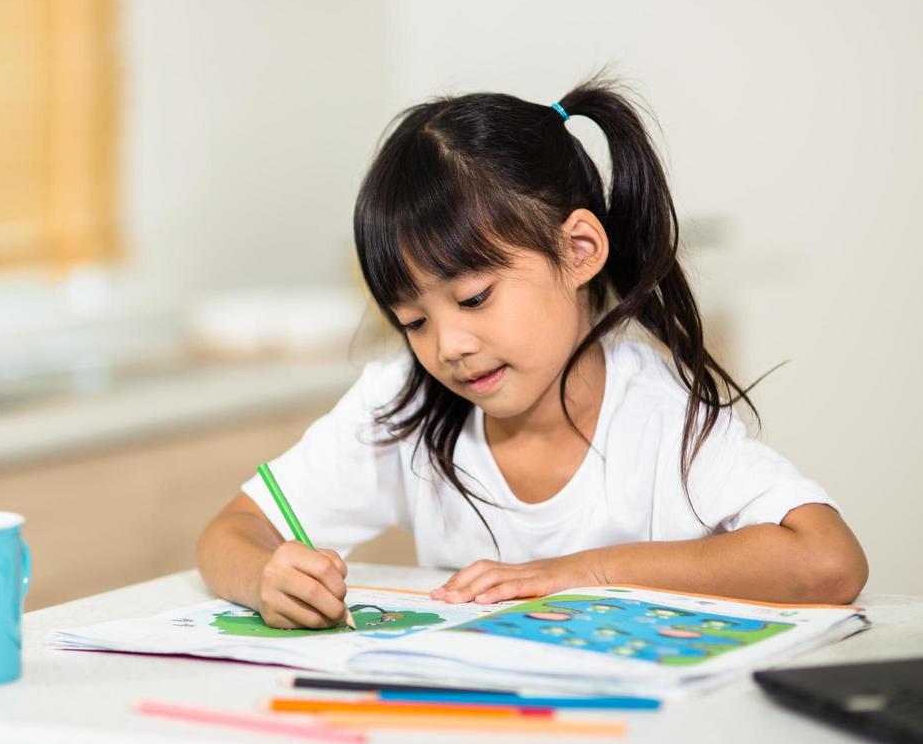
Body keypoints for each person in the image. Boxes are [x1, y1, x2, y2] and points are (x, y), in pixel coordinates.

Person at [196, 77, 868, 629]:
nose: (448, 347)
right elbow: (230, 534)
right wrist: (265, 577)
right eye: (412, 321)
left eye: (474, 298)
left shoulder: (657, 415)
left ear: (578, 251)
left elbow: (829, 561)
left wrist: (582, 573)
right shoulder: (403, 401)